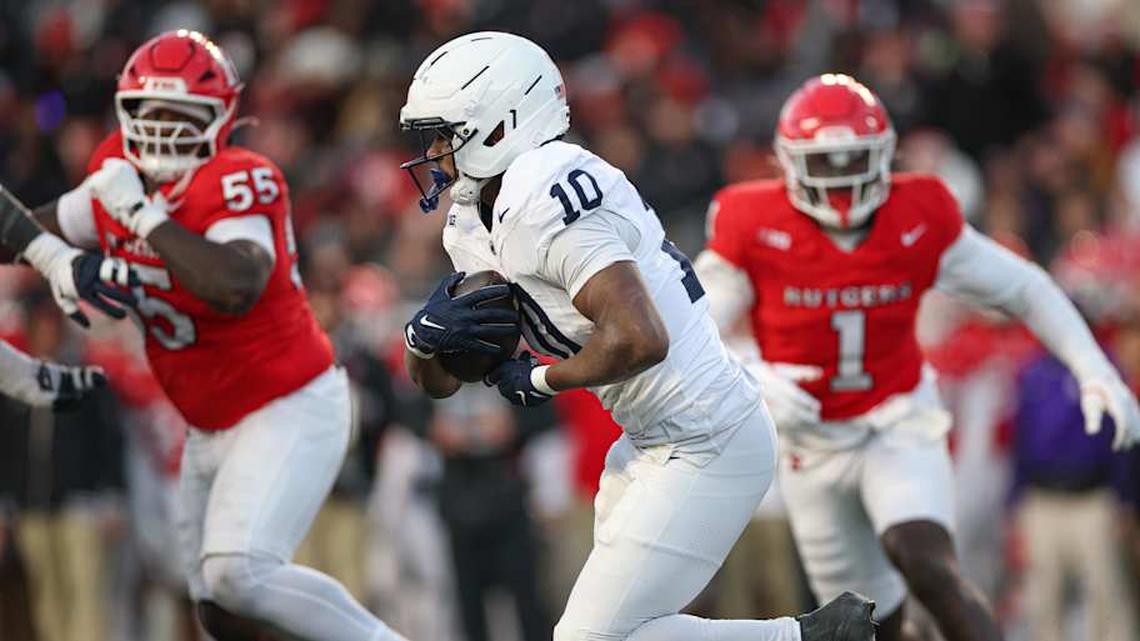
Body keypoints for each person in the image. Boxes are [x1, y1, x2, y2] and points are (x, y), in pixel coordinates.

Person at [399, 31, 876, 641]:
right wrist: (421, 341)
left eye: (447, 133)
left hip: (707, 433)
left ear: (500, 125)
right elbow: (444, 380)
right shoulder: (473, 220)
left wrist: (539, 379)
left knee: (587, 640)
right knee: (628, 633)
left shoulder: (543, 189)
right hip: (647, 441)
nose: (433, 151)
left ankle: (805, 638)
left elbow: (640, 337)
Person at [694, 73, 1140, 641]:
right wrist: (750, 374)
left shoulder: (919, 211)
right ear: (788, 162)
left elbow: (1023, 288)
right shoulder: (750, 221)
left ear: (883, 155)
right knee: (867, 619)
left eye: (855, 158)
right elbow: (695, 328)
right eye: (826, 162)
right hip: (812, 445)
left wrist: (1093, 368)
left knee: (926, 560)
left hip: (895, 420)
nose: (842, 178)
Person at [28, 30, 407, 641]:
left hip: (286, 403)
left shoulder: (237, 178)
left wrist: (142, 216)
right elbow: (30, 230)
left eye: (184, 113)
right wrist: (50, 257)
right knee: (220, 611)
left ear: (221, 118)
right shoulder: (115, 176)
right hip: (210, 424)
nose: (163, 127)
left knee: (239, 573)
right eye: (150, 110)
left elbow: (236, 284)